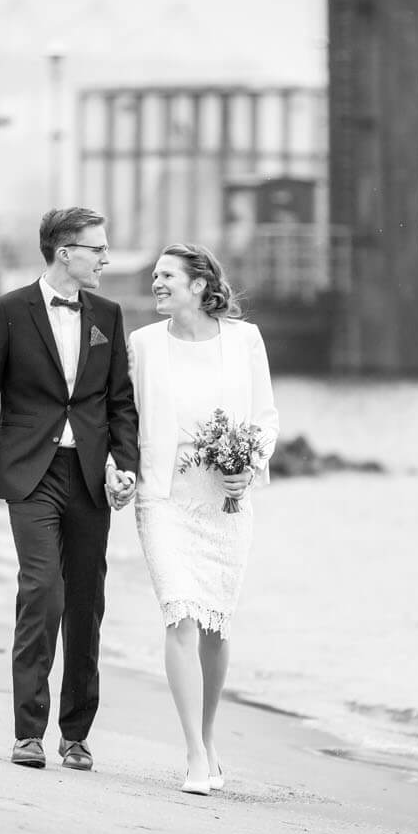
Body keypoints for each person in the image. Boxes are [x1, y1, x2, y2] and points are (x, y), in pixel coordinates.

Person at [0, 206, 139, 772]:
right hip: (30, 476)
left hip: (87, 479)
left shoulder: (108, 313)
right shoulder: (8, 312)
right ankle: (28, 732)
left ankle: (76, 735)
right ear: (65, 252)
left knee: (87, 603)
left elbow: (120, 402)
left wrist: (124, 465)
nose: (105, 257)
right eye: (97, 248)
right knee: (43, 591)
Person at [127, 243, 279, 795]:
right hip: (164, 498)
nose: (156, 283)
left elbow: (264, 415)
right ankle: (193, 754)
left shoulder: (245, 340)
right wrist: (119, 470)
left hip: (225, 502)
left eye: (167, 275)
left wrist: (251, 466)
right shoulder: (142, 346)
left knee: (215, 625)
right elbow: (126, 418)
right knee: (180, 617)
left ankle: (210, 739)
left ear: (199, 284)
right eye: (155, 275)